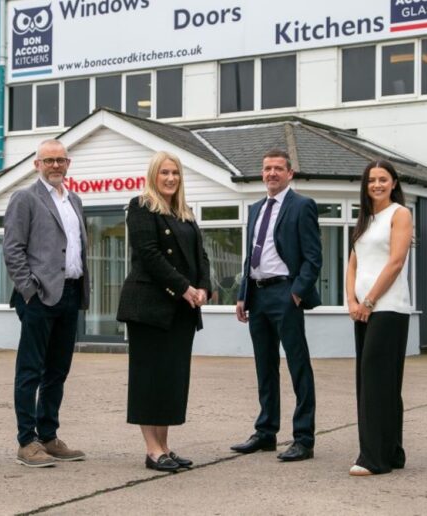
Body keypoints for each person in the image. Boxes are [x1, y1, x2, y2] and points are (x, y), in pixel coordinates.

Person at [117, 151, 211, 472]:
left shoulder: (185, 212)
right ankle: (152, 450)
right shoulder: (140, 206)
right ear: (154, 175)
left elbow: (202, 255)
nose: (171, 178)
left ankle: (165, 447)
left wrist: (204, 287)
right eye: (164, 173)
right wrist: (184, 287)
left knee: (170, 379)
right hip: (149, 308)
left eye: (175, 173)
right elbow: (150, 255)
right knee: (149, 379)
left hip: (181, 311)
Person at [3, 138, 90, 468]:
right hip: (40, 297)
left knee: (57, 370)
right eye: (49, 160)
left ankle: (49, 435)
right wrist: (29, 290)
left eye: (61, 160)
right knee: (30, 370)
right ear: (36, 164)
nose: (55, 165)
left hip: (69, 295)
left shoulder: (74, 200)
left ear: (68, 164)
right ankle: (27, 441)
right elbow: (12, 249)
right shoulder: (24, 198)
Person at [231, 149, 322, 462]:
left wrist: (296, 293)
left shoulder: (302, 206)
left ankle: (303, 438)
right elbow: (250, 256)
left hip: (285, 294)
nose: (271, 173)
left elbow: (313, 257)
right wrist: (243, 294)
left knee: (298, 366)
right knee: (264, 366)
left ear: (289, 173)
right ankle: (266, 432)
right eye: (267, 168)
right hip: (257, 295)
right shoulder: (256, 208)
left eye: (278, 169)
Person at [345, 160, 413, 477]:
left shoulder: (399, 214)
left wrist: (370, 300)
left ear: (394, 182)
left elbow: (396, 262)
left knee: (377, 383)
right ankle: (392, 452)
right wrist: (351, 300)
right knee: (372, 381)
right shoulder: (367, 219)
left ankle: (373, 458)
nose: (376, 185)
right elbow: (353, 263)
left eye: (383, 179)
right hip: (363, 310)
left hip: (388, 308)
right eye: (371, 180)